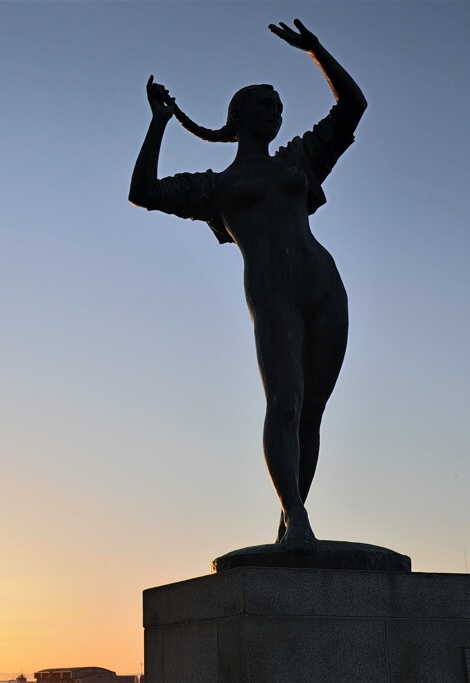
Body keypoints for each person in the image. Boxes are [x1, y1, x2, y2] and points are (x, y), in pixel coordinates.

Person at [128, 20, 367, 553]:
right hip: (273, 294)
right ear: (237, 119)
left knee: (311, 413)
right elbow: (142, 192)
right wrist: (160, 123)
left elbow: (354, 108)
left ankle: (291, 521)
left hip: (324, 285)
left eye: (277, 103)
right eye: (262, 103)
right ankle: (297, 516)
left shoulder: (298, 161)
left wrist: (317, 52)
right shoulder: (219, 187)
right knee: (284, 402)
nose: (275, 109)